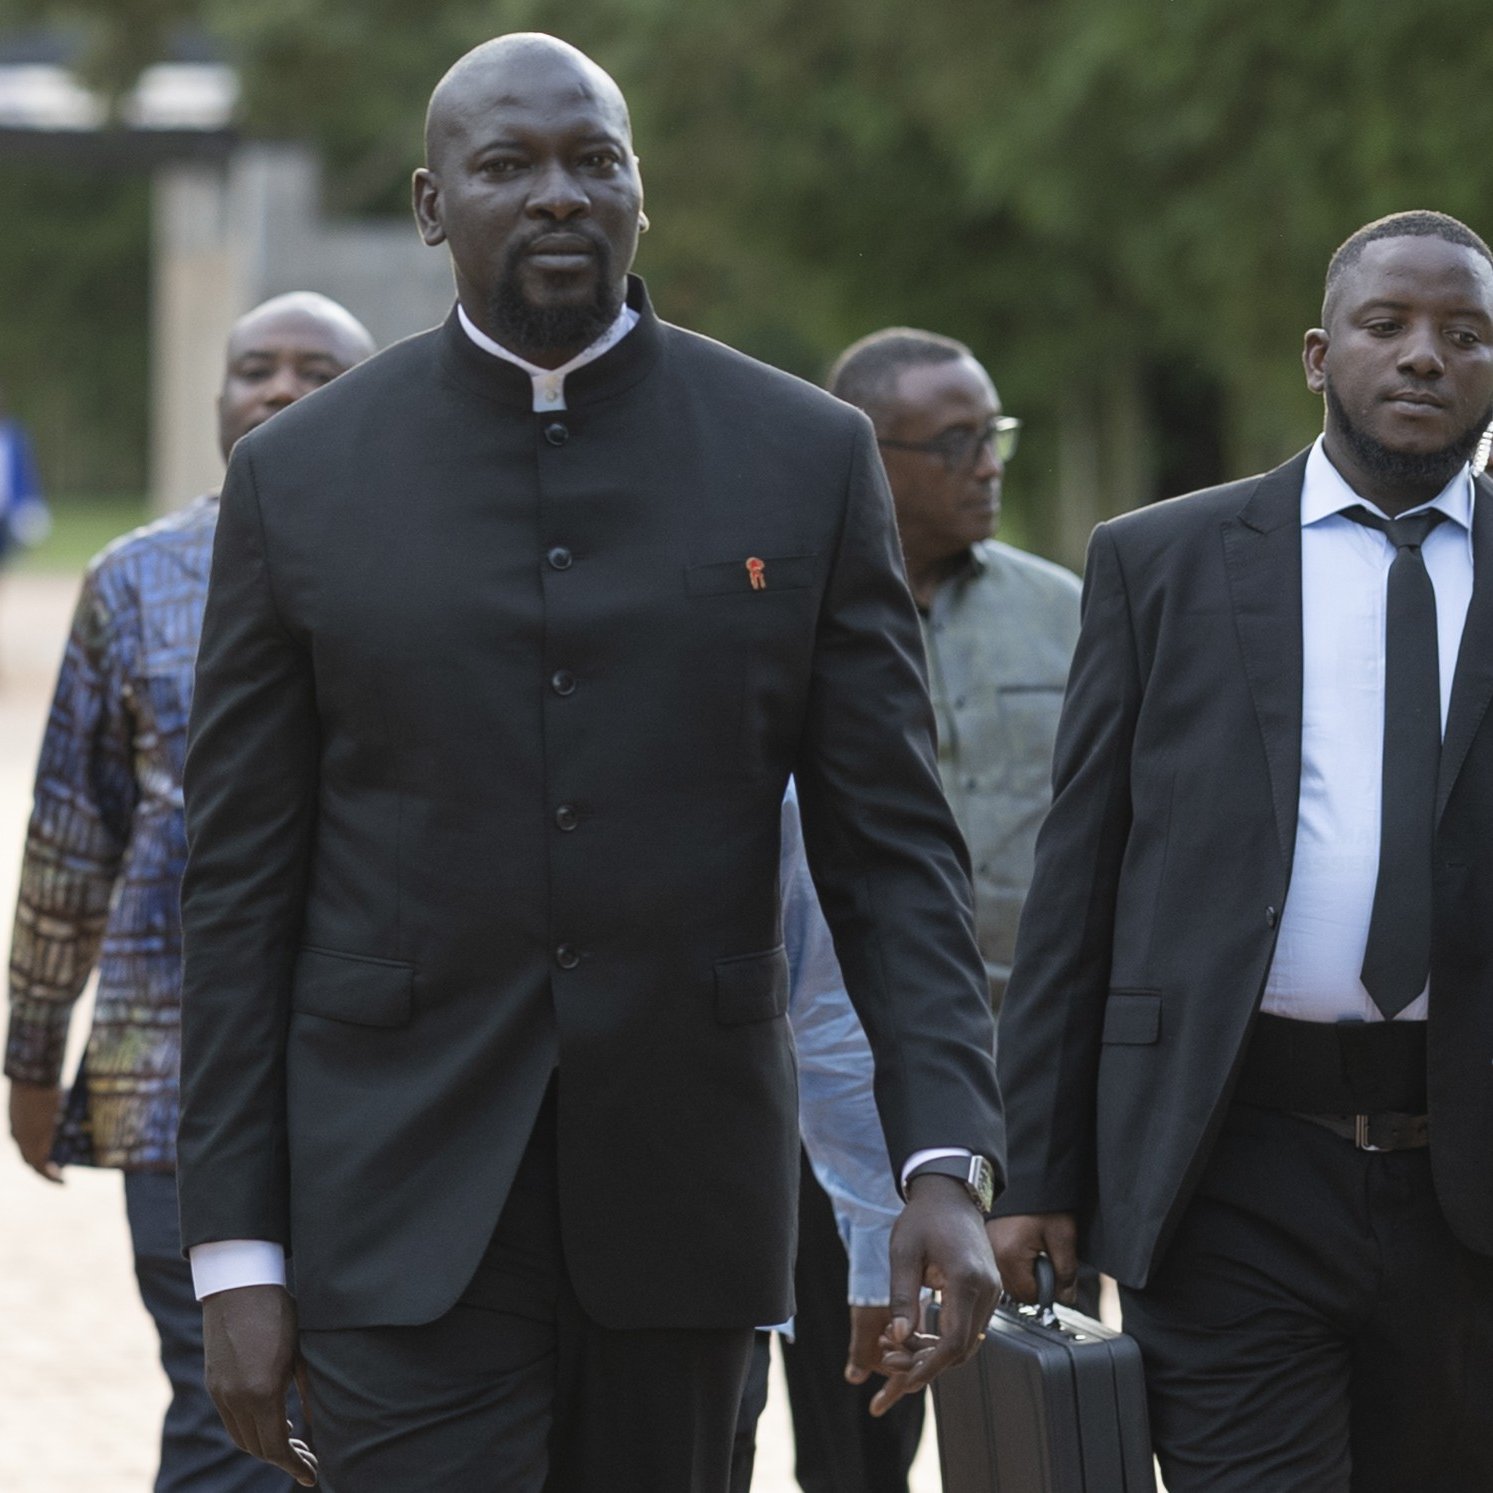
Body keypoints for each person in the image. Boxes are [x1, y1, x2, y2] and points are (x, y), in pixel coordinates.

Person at [175, 33, 1005, 1493]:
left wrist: (941, 1158)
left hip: (683, 1207)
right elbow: (239, 888)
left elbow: (894, 860)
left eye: (594, 161)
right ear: (433, 207)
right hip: (394, 1209)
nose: (558, 194)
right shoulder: (300, 480)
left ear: (641, 194)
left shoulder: (799, 458)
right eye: (509, 166)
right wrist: (236, 1250)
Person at [992, 209, 1493, 1493]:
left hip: (1467, 1175)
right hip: (1226, 1159)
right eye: (1388, 327)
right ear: (1320, 356)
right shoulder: (1158, 561)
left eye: (1464, 334)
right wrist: (1035, 1169)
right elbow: (1077, 883)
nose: (1424, 356)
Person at [4, 293, 375, 1493]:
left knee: (369, 1406)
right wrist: (30, 1052)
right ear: (214, 401)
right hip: (171, 1080)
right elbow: (73, 834)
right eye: (253, 368)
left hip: (384, 1082)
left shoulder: (426, 573)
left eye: (315, 369)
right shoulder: (132, 582)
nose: (277, 388)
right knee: (228, 1404)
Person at [763, 330, 1080, 1493]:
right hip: (829, 1106)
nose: (985, 463)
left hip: (1020, 1084)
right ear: (865, 456)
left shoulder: (1068, 616)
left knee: (1041, 1419)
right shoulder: (775, 615)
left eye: (990, 434)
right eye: (952, 444)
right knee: (858, 1431)